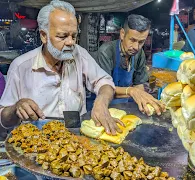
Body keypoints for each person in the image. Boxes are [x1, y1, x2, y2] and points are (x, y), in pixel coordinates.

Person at [0, 0, 124, 136]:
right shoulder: (21, 66)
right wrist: (16, 107)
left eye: (74, 36)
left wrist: (101, 101)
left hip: (75, 138)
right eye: (62, 36)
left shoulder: (79, 54)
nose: (71, 42)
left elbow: (103, 82)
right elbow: (4, 120)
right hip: (37, 142)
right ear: (44, 36)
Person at [97, 14, 165, 116]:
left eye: (141, 42)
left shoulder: (139, 53)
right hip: (103, 107)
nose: (136, 47)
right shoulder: (106, 52)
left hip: (125, 107)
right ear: (122, 33)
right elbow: (103, 89)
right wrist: (131, 91)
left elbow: (139, 84)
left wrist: (145, 104)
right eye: (132, 40)